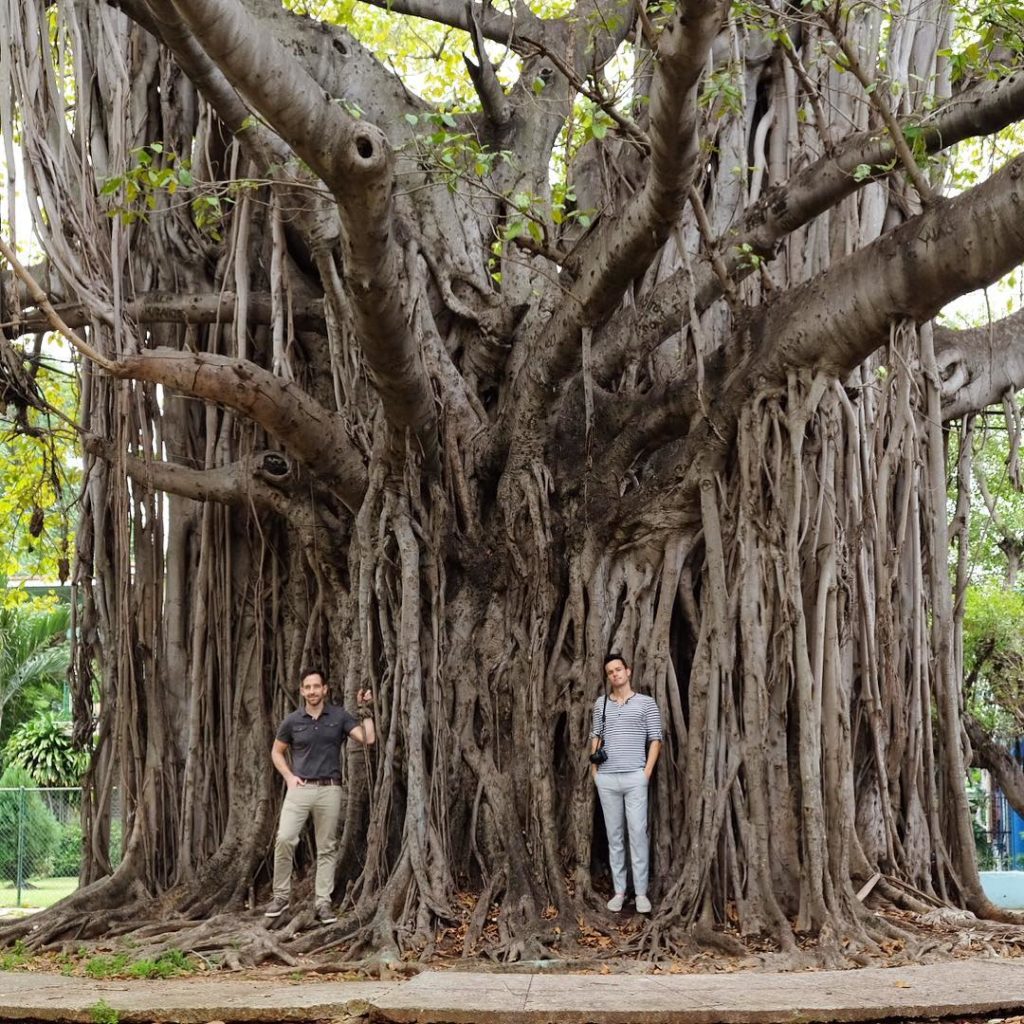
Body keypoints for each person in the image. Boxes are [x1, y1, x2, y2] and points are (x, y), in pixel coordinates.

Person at [264, 667, 375, 925]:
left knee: (327, 848)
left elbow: (367, 739)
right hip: (300, 790)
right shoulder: (292, 721)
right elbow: (276, 752)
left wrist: (365, 709)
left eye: (317, 686)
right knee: (285, 839)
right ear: (302, 691)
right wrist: (290, 777)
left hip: (329, 789)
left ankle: (323, 903)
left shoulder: (338, 716)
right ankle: (280, 897)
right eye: (308, 687)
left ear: (325, 689)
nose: (312, 691)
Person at [590, 652, 662, 914]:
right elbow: (595, 736)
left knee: (637, 833)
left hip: (634, 778)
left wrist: (646, 773)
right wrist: (595, 773)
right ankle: (620, 891)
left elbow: (655, 738)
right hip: (607, 778)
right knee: (615, 836)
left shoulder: (645, 703)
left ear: (628, 671)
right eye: (610, 672)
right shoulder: (602, 705)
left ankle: (641, 892)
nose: (615, 674)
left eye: (618, 669)